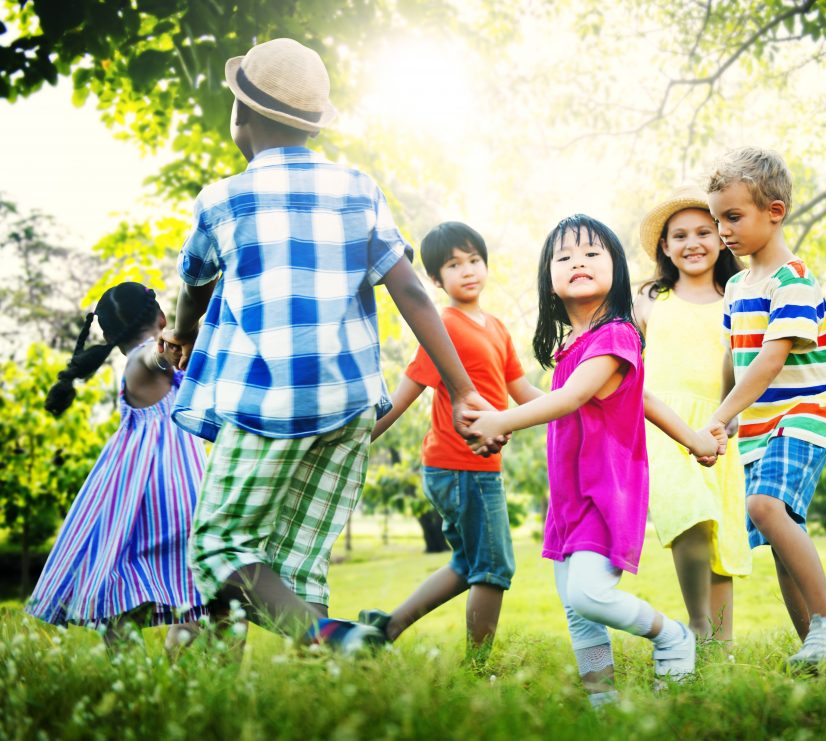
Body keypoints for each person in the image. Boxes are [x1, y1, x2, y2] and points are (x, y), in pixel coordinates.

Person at [160, 38, 494, 651]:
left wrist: (180, 334)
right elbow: (413, 293)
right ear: (311, 125)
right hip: (345, 405)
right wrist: (464, 388)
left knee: (218, 545)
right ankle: (323, 682)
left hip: (267, 405)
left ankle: (332, 639)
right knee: (300, 555)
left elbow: (194, 286)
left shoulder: (222, 200)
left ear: (243, 117)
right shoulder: (357, 189)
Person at [465, 215, 725, 707]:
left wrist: (503, 421)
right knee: (576, 608)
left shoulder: (618, 334)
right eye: (563, 257)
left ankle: (673, 637)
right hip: (569, 496)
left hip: (607, 490)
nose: (577, 262)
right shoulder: (575, 346)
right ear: (549, 280)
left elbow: (572, 397)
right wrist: (693, 437)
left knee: (589, 594)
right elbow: (631, 397)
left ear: (617, 270)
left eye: (591, 253)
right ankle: (602, 703)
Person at [704, 147, 826, 666]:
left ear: (774, 212)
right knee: (779, 531)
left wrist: (721, 415)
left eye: (733, 217)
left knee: (765, 507)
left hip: (803, 414)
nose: (722, 231)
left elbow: (770, 362)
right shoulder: (734, 286)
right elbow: (736, 357)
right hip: (757, 426)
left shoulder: (792, 282)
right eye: (716, 219)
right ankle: (818, 649)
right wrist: (720, 418)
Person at [360, 222, 542, 657]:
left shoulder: (496, 327)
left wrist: (577, 406)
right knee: (493, 568)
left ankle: (385, 628)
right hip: (458, 466)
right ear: (436, 280)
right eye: (453, 265)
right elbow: (404, 396)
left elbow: (523, 394)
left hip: (478, 468)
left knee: (468, 564)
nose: (468, 271)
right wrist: (356, 443)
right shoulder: (442, 327)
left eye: (474, 260)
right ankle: (478, 671)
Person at [26, 282, 206, 653]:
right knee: (190, 593)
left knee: (139, 600)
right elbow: (156, 358)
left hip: (137, 489)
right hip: (170, 487)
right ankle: (158, 674)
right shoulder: (145, 358)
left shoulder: (138, 361)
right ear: (160, 319)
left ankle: (139, 672)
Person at [635, 183, 752, 643]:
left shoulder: (738, 297)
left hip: (723, 425)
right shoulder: (649, 299)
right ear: (665, 246)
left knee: (717, 533)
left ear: (722, 237)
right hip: (664, 425)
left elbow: (744, 361)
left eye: (704, 231)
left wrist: (732, 412)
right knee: (691, 516)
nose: (692, 243)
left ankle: (719, 645)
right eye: (679, 235)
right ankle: (698, 625)